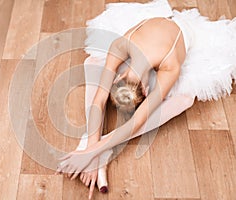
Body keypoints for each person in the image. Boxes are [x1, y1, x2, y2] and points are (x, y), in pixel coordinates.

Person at [55, 1, 236, 199]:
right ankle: (99, 144)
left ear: (120, 78)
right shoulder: (122, 45)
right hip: (153, 30)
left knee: (186, 100)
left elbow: (132, 119)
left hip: (190, 34)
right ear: (120, 78)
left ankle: (103, 142)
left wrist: (90, 153)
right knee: (91, 61)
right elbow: (103, 101)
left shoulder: (170, 66)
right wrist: (92, 152)